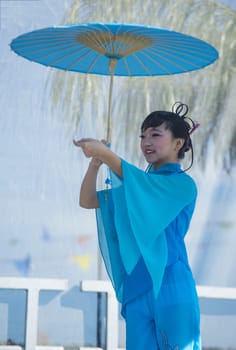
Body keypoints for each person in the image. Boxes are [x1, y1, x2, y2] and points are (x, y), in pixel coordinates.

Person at [73, 102, 201, 350]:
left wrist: (107, 155)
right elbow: (87, 200)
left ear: (178, 144)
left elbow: (141, 185)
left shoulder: (183, 185)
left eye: (155, 135)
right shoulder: (135, 188)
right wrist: (96, 162)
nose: (146, 142)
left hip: (171, 285)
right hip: (137, 288)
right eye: (143, 136)